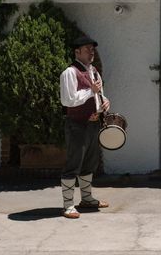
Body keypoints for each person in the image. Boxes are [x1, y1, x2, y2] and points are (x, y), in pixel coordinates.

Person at [59, 35, 111, 219]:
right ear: (77, 52)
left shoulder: (95, 71)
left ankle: (87, 199)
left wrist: (104, 102)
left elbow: (99, 95)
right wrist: (92, 92)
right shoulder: (69, 73)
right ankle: (67, 206)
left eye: (92, 49)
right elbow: (68, 100)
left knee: (90, 162)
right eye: (87, 48)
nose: (91, 52)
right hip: (77, 124)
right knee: (73, 164)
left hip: (93, 123)